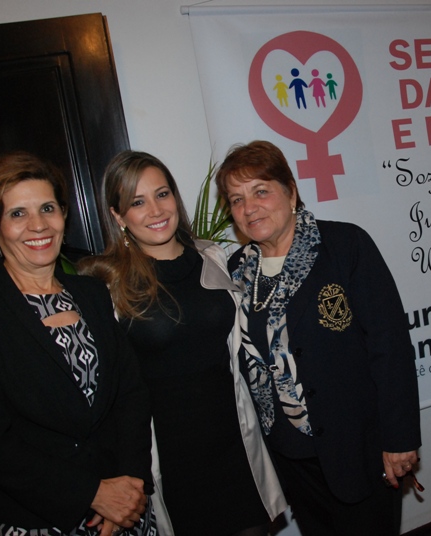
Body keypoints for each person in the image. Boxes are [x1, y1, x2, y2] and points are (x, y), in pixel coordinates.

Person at [0, 152, 155, 536]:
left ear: (63, 215)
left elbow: (130, 395)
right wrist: (92, 493)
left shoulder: (92, 293)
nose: (38, 225)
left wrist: (131, 484)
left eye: (47, 208)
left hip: (124, 508)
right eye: (18, 213)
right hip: (38, 517)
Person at [215, 140, 422, 536]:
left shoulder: (344, 246)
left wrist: (400, 439)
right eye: (237, 199)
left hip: (357, 451)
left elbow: (390, 346)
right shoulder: (238, 271)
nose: (249, 207)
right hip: (290, 462)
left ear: (291, 192)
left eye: (261, 191)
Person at [77, 150, 286, 536]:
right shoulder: (106, 285)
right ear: (118, 216)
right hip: (169, 461)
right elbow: (102, 395)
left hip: (236, 446)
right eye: (137, 202)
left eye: (162, 194)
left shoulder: (213, 257)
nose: (156, 210)